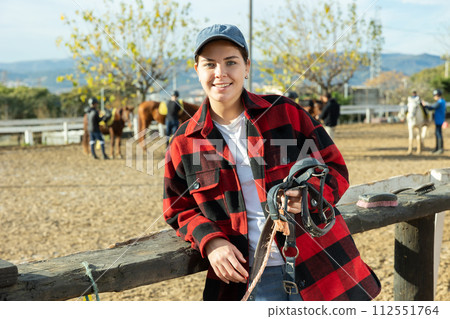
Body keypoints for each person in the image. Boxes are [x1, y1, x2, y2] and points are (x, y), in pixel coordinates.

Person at [163, 24, 380, 301]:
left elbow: (334, 168)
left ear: (247, 67)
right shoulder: (184, 141)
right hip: (250, 277)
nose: (221, 73)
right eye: (210, 64)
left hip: (319, 263)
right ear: (197, 70)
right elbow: (177, 209)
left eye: (231, 62)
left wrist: (310, 195)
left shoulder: (285, 112)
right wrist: (211, 241)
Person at [424, 89, 446, 154]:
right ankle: (437, 148)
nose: (434, 97)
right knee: (437, 133)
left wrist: (425, 105)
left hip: (439, 120)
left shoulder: (440, 102)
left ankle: (440, 149)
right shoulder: (442, 101)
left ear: (437, 95)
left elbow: (431, 108)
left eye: (434, 96)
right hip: (439, 120)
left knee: (438, 134)